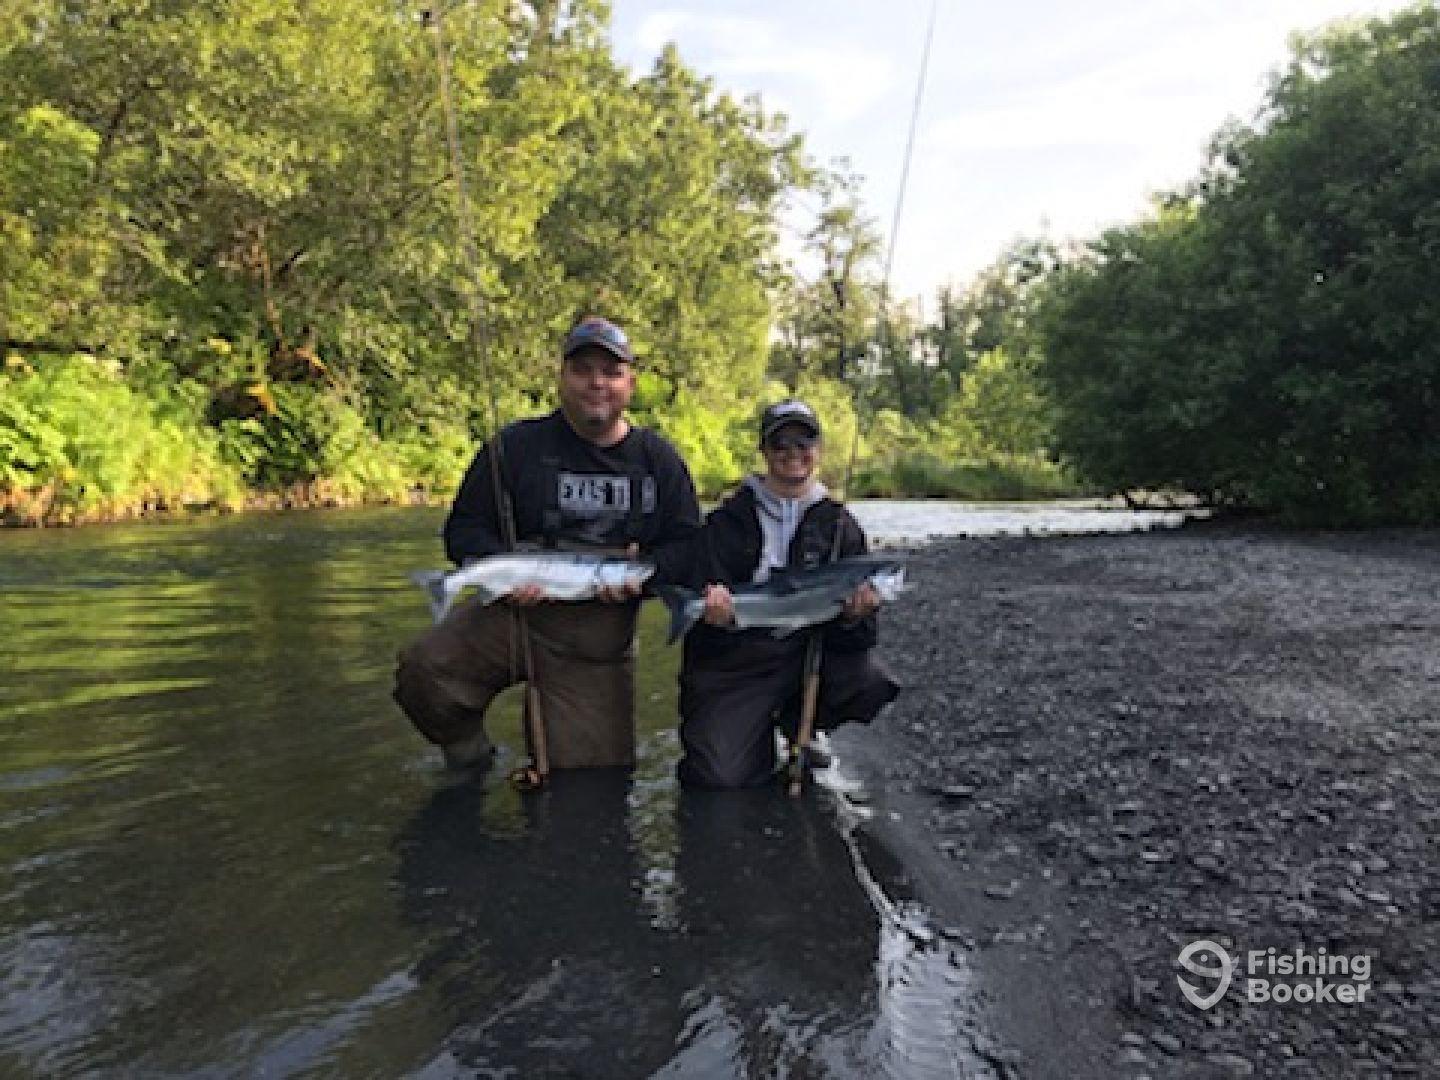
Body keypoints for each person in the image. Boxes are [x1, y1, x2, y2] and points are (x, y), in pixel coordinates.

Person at [394, 316, 700, 771]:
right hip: (511, 616)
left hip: (596, 640)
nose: (596, 382)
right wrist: (503, 570)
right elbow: (464, 530)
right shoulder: (514, 447)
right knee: (424, 672)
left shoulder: (658, 461)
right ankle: (470, 759)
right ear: (561, 377)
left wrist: (646, 579)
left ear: (630, 383)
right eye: (582, 370)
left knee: (590, 789)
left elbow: (689, 547)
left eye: (611, 372)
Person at [676, 399, 900, 788]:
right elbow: (701, 642)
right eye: (781, 444)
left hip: (809, 657)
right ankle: (752, 733)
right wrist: (714, 615)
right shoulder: (724, 523)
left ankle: (803, 725)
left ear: (818, 451)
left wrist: (854, 616)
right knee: (719, 779)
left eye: (804, 443)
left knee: (871, 681)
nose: (793, 454)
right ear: (764, 452)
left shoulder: (841, 527)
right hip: (738, 663)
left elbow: (864, 639)